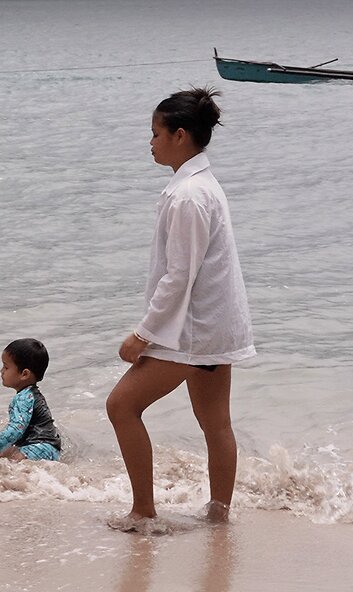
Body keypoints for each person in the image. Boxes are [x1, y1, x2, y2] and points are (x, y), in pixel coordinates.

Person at [105, 87, 256, 532]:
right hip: (213, 327)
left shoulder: (188, 194)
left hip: (191, 330)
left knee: (121, 406)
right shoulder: (200, 185)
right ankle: (218, 517)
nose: (149, 141)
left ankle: (144, 512)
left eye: (155, 133)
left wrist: (143, 334)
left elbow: (179, 276)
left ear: (180, 135)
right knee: (215, 423)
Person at [0, 338, 62, 461]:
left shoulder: (24, 398)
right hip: (49, 449)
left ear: (24, 374)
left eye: (6, 367)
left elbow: (15, 429)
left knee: (9, 462)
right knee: (4, 454)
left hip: (38, 449)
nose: (1, 371)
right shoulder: (34, 395)